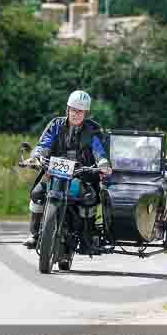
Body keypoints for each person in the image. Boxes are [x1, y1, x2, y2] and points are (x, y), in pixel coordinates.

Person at [22, 90, 113, 249]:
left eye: (80, 111)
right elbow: (44, 144)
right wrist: (36, 156)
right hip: (54, 171)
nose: (76, 114)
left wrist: (103, 164)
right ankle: (35, 234)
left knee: (89, 198)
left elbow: (99, 151)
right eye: (73, 110)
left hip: (82, 173)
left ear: (86, 113)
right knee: (37, 193)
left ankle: (87, 237)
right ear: (68, 110)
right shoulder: (56, 124)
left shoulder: (93, 130)